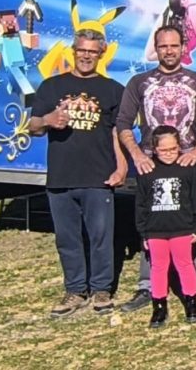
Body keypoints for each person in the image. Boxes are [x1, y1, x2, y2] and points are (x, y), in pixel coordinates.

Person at [116, 25, 196, 313]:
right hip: (151, 166)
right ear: (156, 49)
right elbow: (123, 123)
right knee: (151, 226)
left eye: (173, 45)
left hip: (188, 165)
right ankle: (148, 286)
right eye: (163, 46)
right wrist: (137, 155)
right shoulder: (139, 82)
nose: (168, 51)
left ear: (183, 48)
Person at [28, 29, 127, 317]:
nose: (86, 56)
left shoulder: (113, 90)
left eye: (92, 51)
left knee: (101, 237)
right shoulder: (51, 86)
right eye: (82, 50)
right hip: (61, 177)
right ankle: (75, 290)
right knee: (67, 239)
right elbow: (33, 127)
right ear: (73, 51)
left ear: (101, 54)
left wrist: (122, 167)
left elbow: (117, 133)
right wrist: (48, 119)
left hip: (99, 177)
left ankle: (101, 289)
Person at [134, 126, 196, 328]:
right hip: (155, 230)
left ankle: (192, 302)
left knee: (185, 264)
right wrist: (143, 232)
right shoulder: (147, 171)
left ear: (179, 146)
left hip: (182, 228)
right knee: (158, 267)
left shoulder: (188, 169)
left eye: (173, 149)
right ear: (154, 149)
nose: (169, 154)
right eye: (163, 150)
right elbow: (140, 204)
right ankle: (159, 305)